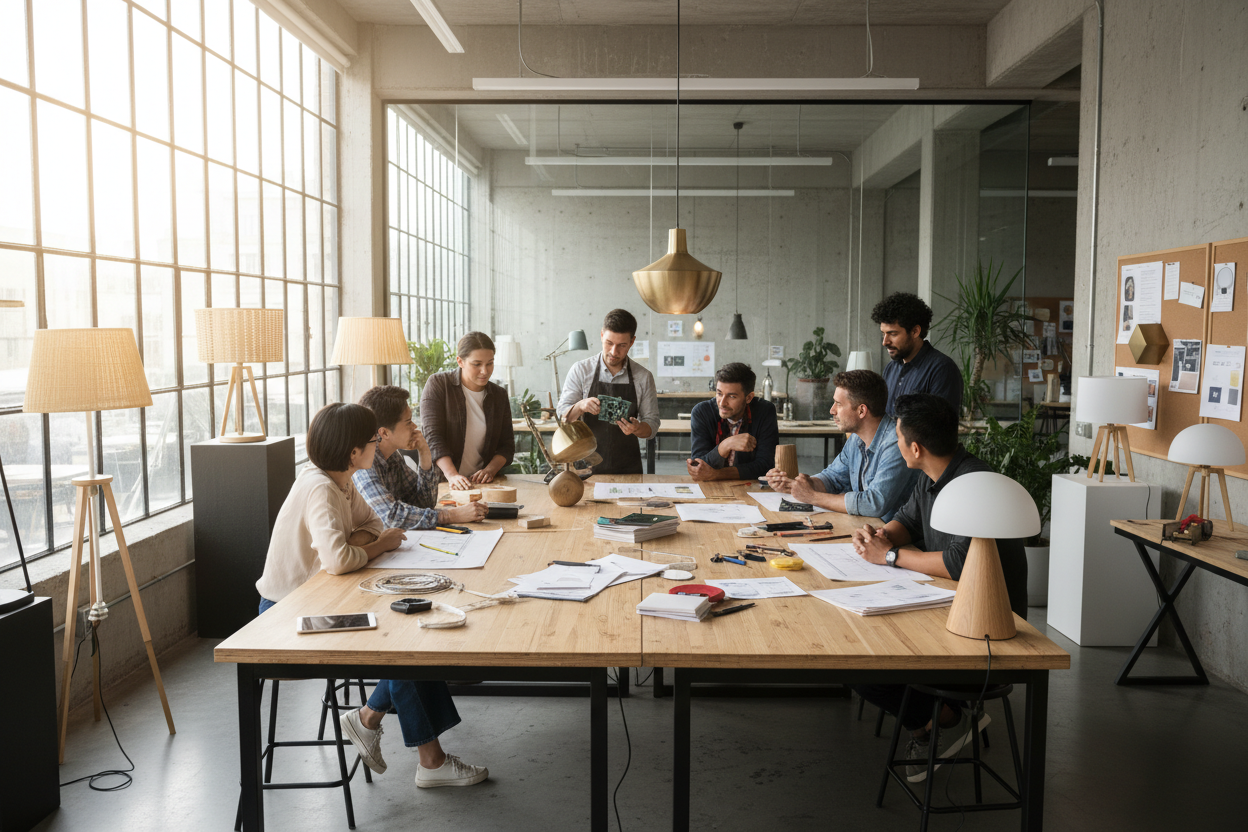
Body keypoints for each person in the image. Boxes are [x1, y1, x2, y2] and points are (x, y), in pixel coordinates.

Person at [254, 403, 488, 789]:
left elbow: (374, 524)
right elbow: (341, 559)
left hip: (320, 600)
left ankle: (370, 720)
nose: (376, 446)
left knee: (410, 635)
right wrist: (375, 547)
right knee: (403, 642)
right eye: (371, 441)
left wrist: (366, 541)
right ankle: (427, 760)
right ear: (353, 452)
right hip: (286, 617)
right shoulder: (320, 488)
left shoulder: (340, 481)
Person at [850, 393, 1027, 782]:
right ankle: (935, 718)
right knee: (857, 647)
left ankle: (944, 721)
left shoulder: (975, 485)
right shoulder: (933, 475)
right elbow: (908, 522)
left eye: (897, 439)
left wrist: (890, 557)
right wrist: (879, 535)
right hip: (947, 605)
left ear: (915, 447)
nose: (895, 446)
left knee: (864, 670)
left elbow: (961, 562)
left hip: (985, 630)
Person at [763, 370, 916, 522]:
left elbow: (874, 504)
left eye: (838, 404)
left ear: (861, 410)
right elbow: (833, 478)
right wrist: (796, 485)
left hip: (896, 539)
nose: (832, 410)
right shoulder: (856, 439)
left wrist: (812, 496)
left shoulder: (896, 443)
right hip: (867, 530)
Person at [355, 385, 487, 529]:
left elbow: (424, 502)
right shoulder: (363, 464)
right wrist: (451, 515)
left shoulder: (392, 457)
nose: (414, 426)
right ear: (384, 433)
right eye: (408, 422)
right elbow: (391, 516)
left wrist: (425, 452)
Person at [557, 308, 661, 474]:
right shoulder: (581, 371)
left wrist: (638, 428)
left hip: (628, 467)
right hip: (585, 466)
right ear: (601, 335)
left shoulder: (643, 377)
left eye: (622, 345)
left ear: (632, 342)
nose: (614, 352)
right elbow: (562, 417)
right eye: (609, 343)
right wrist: (580, 405)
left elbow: (652, 425)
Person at [421, 332, 515, 491]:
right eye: (476, 364)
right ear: (460, 361)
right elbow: (432, 436)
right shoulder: (439, 384)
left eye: (490, 363)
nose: (485, 371)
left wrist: (489, 471)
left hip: (482, 486)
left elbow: (507, 445)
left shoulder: (499, 395)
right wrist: (452, 475)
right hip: (442, 483)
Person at [871, 292, 963, 417]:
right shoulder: (891, 368)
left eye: (893, 334)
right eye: (883, 334)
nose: (885, 342)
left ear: (915, 331)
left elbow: (941, 427)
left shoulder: (942, 369)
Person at [687, 362, 778, 481]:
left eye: (732, 396)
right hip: (710, 487)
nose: (722, 402)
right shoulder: (702, 412)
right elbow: (699, 466)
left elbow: (765, 466)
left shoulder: (765, 411)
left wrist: (717, 474)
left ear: (749, 397)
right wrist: (725, 445)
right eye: (719, 394)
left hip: (750, 488)